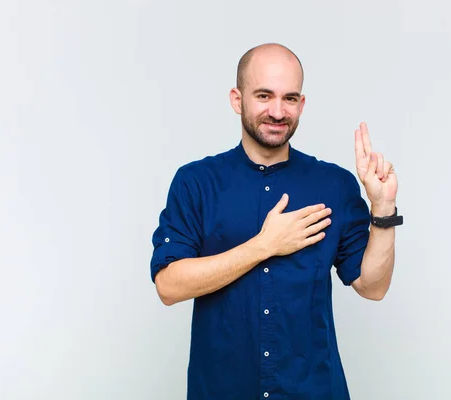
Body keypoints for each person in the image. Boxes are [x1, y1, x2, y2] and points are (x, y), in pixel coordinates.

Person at [149, 42, 403, 400]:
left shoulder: (334, 185)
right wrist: (263, 246)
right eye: (264, 96)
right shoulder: (196, 182)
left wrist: (383, 208)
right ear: (237, 100)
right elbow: (168, 286)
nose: (278, 111)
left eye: (290, 98)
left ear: (302, 104)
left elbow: (372, 287)